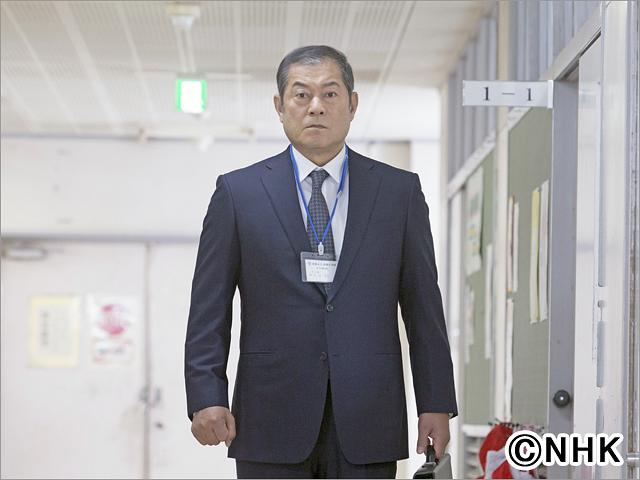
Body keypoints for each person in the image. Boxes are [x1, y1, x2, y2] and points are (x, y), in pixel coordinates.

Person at [185, 45, 458, 479]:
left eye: (330, 94)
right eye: (301, 94)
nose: (316, 106)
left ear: (352, 104)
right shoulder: (239, 194)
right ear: (280, 106)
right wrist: (206, 394)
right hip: (270, 415)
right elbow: (208, 308)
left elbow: (424, 306)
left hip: (368, 414)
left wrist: (436, 402)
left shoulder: (398, 193)